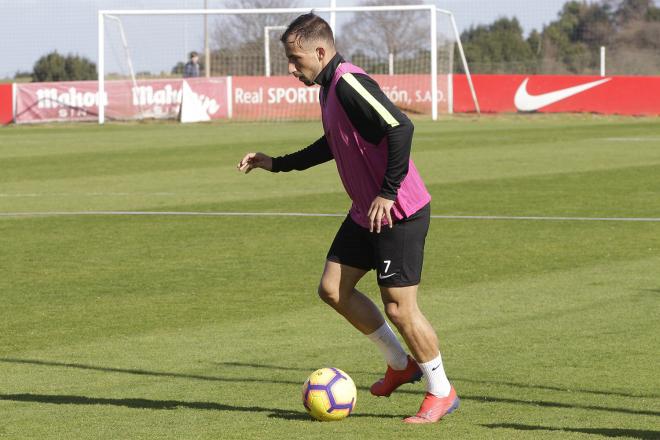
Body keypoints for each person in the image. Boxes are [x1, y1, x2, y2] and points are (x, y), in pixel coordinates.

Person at [237, 13, 458, 424]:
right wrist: (277, 164)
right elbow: (333, 144)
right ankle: (400, 364)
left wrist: (387, 192)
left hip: (400, 212)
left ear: (320, 52)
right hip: (365, 213)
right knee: (333, 289)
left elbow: (401, 127)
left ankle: (441, 391)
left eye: (295, 59)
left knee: (400, 308)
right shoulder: (327, 89)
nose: (290, 68)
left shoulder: (350, 82)